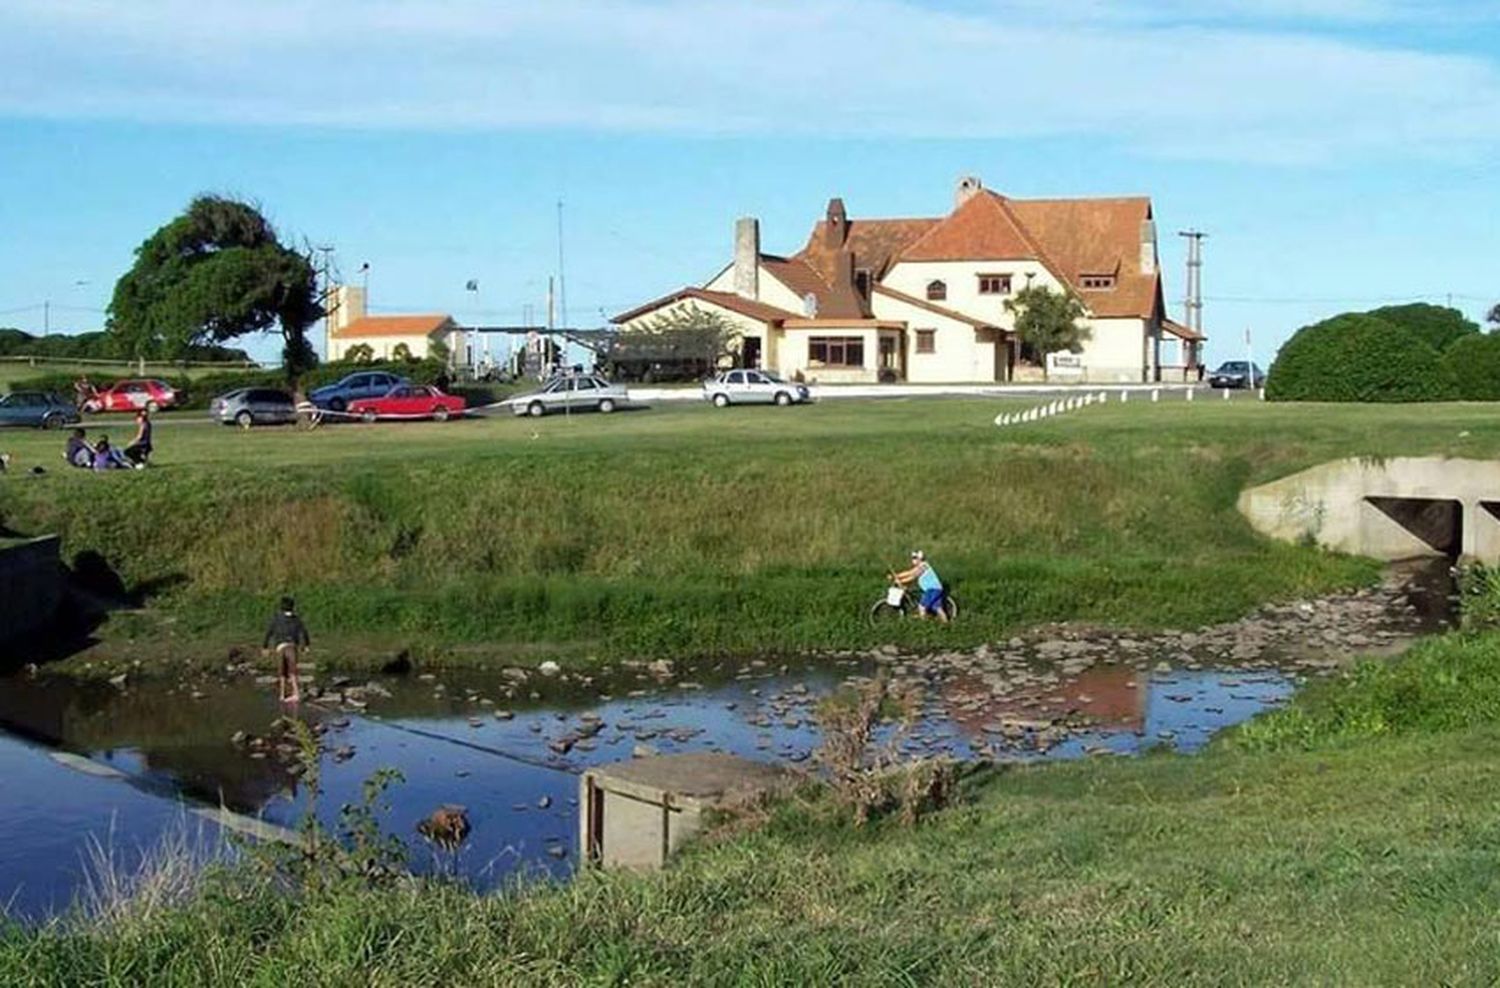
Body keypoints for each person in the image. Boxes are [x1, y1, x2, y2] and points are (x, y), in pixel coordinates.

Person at [262, 596, 311, 704]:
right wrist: (306, 645)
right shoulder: (297, 620)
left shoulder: (276, 619)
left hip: (280, 646)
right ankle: (296, 693)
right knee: (292, 671)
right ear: (293, 607)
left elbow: (269, 633)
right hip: (292, 645)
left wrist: (265, 646)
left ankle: (282, 695)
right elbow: (304, 632)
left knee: (282, 672)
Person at [892, 549, 949, 623]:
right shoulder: (920, 566)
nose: (913, 560)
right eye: (912, 558)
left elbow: (913, 576)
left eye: (915, 558)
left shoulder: (923, 566)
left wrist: (900, 580)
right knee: (938, 608)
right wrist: (897, 576)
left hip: (932, 589)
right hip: (936, 589)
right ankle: (946, 624)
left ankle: (924, 626)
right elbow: (909, 573)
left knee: (922, 607)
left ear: (920, 558)